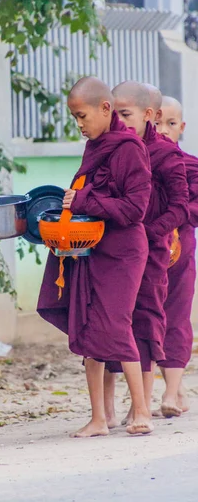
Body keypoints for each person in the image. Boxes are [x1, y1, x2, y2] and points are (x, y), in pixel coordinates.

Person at [38, 76, 153, 437]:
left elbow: (135, 209)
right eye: (74, 117)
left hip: (124, 251)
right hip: (92, 248)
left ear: (105, 109)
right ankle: (99, 419)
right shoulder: (96, 145)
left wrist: (84, 201)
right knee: (87, 323)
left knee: (116, 324)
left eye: (82, 116)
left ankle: (142, 411)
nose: (79, 124)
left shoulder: (129, 148)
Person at [104, 82, 189, 427]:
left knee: (146, 322)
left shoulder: (166, 155)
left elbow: (181, 207)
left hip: (151, 251)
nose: (119, 122)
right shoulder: (112, 149)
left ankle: (141, 404)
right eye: (115, 114)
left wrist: (149, 233)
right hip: (112, 250)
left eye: (125, 115)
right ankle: (105, 409)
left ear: (149, 116)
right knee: (109, 320)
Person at [155, 96, 198, 417]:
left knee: (177, 317)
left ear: (181, 128)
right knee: (146, 319)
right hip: (144, 255)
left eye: (171, 124)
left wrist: (175, 215)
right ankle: (174, 389)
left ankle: (170, 393)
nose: (163, 130)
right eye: (157, 122)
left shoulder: (190, 165)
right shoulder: (137, 164)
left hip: (180, 256)